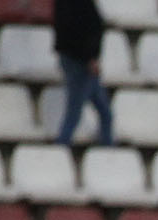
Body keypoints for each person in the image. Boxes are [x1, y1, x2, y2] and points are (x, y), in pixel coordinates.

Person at [53, 0, 113, 148]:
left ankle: (108, 151)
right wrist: (90, 57)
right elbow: (79, 29)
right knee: (74, 113)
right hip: (80, 63)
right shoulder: (77, 5)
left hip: (77, 59)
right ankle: (61, 147)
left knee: (105, 113)